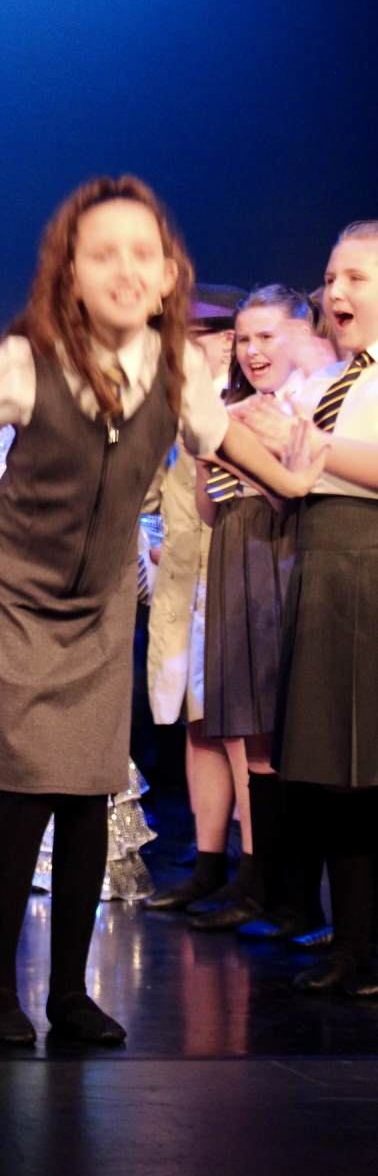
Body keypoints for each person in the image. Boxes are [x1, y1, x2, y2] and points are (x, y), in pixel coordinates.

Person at [0, 176, 326, 1047]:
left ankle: (68, 993)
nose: (125, 269)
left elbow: (227, 443)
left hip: (97, 605)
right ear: (71, 274)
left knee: (90, 789)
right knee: (28, 792)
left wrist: (293, 478)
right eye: (103, 254)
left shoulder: (177, 371)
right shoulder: (33, 358)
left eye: (142, 253)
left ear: (167, 276)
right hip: (14, 597)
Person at [242, 222, 378, 995]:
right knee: (336, 773)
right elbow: (298, 483)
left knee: (365, 770)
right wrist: (250, 446)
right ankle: (352, 944)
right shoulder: (338, 383)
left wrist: (304, 444)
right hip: (322, 565)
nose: (335, 292)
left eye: (356, 277)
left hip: (367, 569)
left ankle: (364, 947)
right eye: (330, 278)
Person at [189, 285, 329, 936]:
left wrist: (246, 453)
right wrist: (208, 456)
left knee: (282, 730)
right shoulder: (238, 409)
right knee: (250, 733)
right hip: (235, 553)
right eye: (244, 339)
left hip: (280, 557)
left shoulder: (309, 403)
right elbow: (208, 510)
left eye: (266, 336)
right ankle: (260, 882)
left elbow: (289, 499)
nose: (252, 350)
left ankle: (291, 894)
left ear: (300, 332)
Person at [144, 289, 251, 914]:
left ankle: (252, 868)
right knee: (199, 724)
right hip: (182, 582)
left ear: (223, 342)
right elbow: (152, 496)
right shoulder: (173, 407)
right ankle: (208, 863)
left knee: (237, 729)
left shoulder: (237, 407)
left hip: (232, 577)